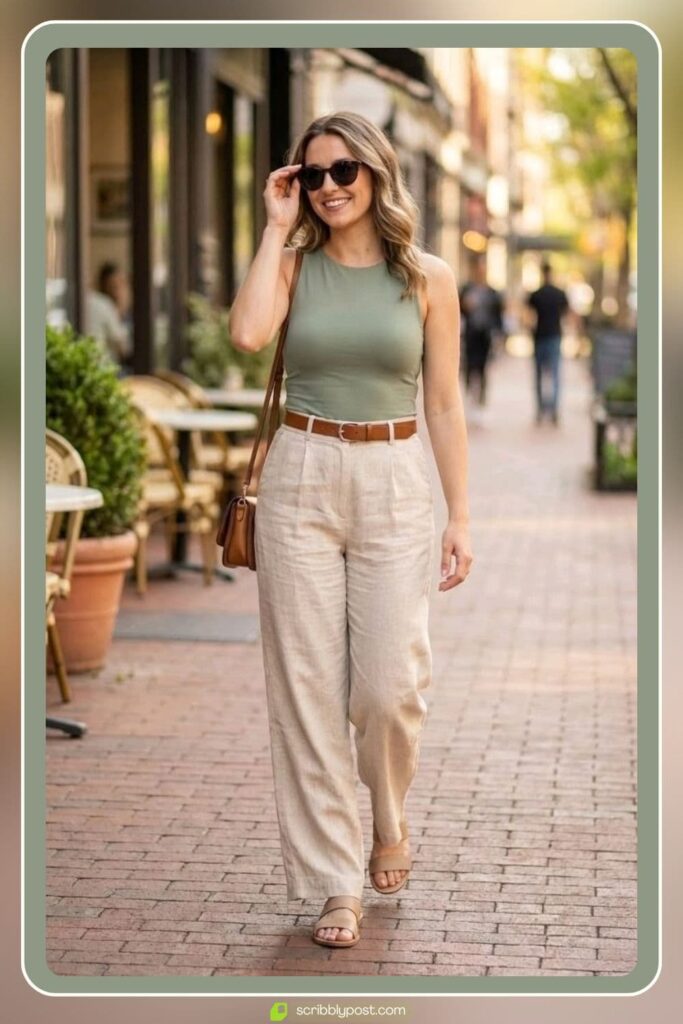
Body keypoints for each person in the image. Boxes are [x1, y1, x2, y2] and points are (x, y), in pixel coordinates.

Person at [229, 111, 473, 949]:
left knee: (387, 688)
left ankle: (389, 813)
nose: (329, 187)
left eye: (344, 171)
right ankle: (335, 883)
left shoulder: (427, 276)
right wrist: (274, 227)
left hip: (394, 477)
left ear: (375, 173)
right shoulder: (294, 263)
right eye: (313, 174)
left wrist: (459, 514)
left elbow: (443, 402)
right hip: (300, 472)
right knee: (306, 691)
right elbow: (247, 334)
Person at [526, 261, 569, 425]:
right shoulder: (559, 294)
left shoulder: (536, 294)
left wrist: (529, 329)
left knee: (539, 375)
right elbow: (567, 315)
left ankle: (541, 409)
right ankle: (553, 409)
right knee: (555, 375)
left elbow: (528, 316)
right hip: (554, 336)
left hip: (540, 337)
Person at [459, 258, 504, 408]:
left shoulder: (492, 292)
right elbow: (456, 310)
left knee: (483, 367)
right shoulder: (466, 290)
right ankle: (469, 394)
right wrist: (465, 305)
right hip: (470, 335)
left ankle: (481, 398)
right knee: (469, 365)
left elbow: (498, 315)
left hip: (485, 336)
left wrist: (499, 335)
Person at [84, 261, 132, 370]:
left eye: (122, 284)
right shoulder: (103, 304)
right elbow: (123, 349)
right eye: (113, 285)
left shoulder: (126, 313)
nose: (119, 291)